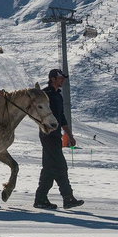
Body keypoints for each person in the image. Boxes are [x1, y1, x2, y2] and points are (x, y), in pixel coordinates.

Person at [34, 69, 84, 209]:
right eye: (60, 78)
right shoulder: (45, 95)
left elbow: (62, 117)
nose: (63, 80)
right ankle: (68, 198)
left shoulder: (58, 96)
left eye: (63, 78)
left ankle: (40, 199)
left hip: (56, 136)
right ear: (52, 79)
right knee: (60, 166)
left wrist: (69, 135)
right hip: (47, 135)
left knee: (49, 169)